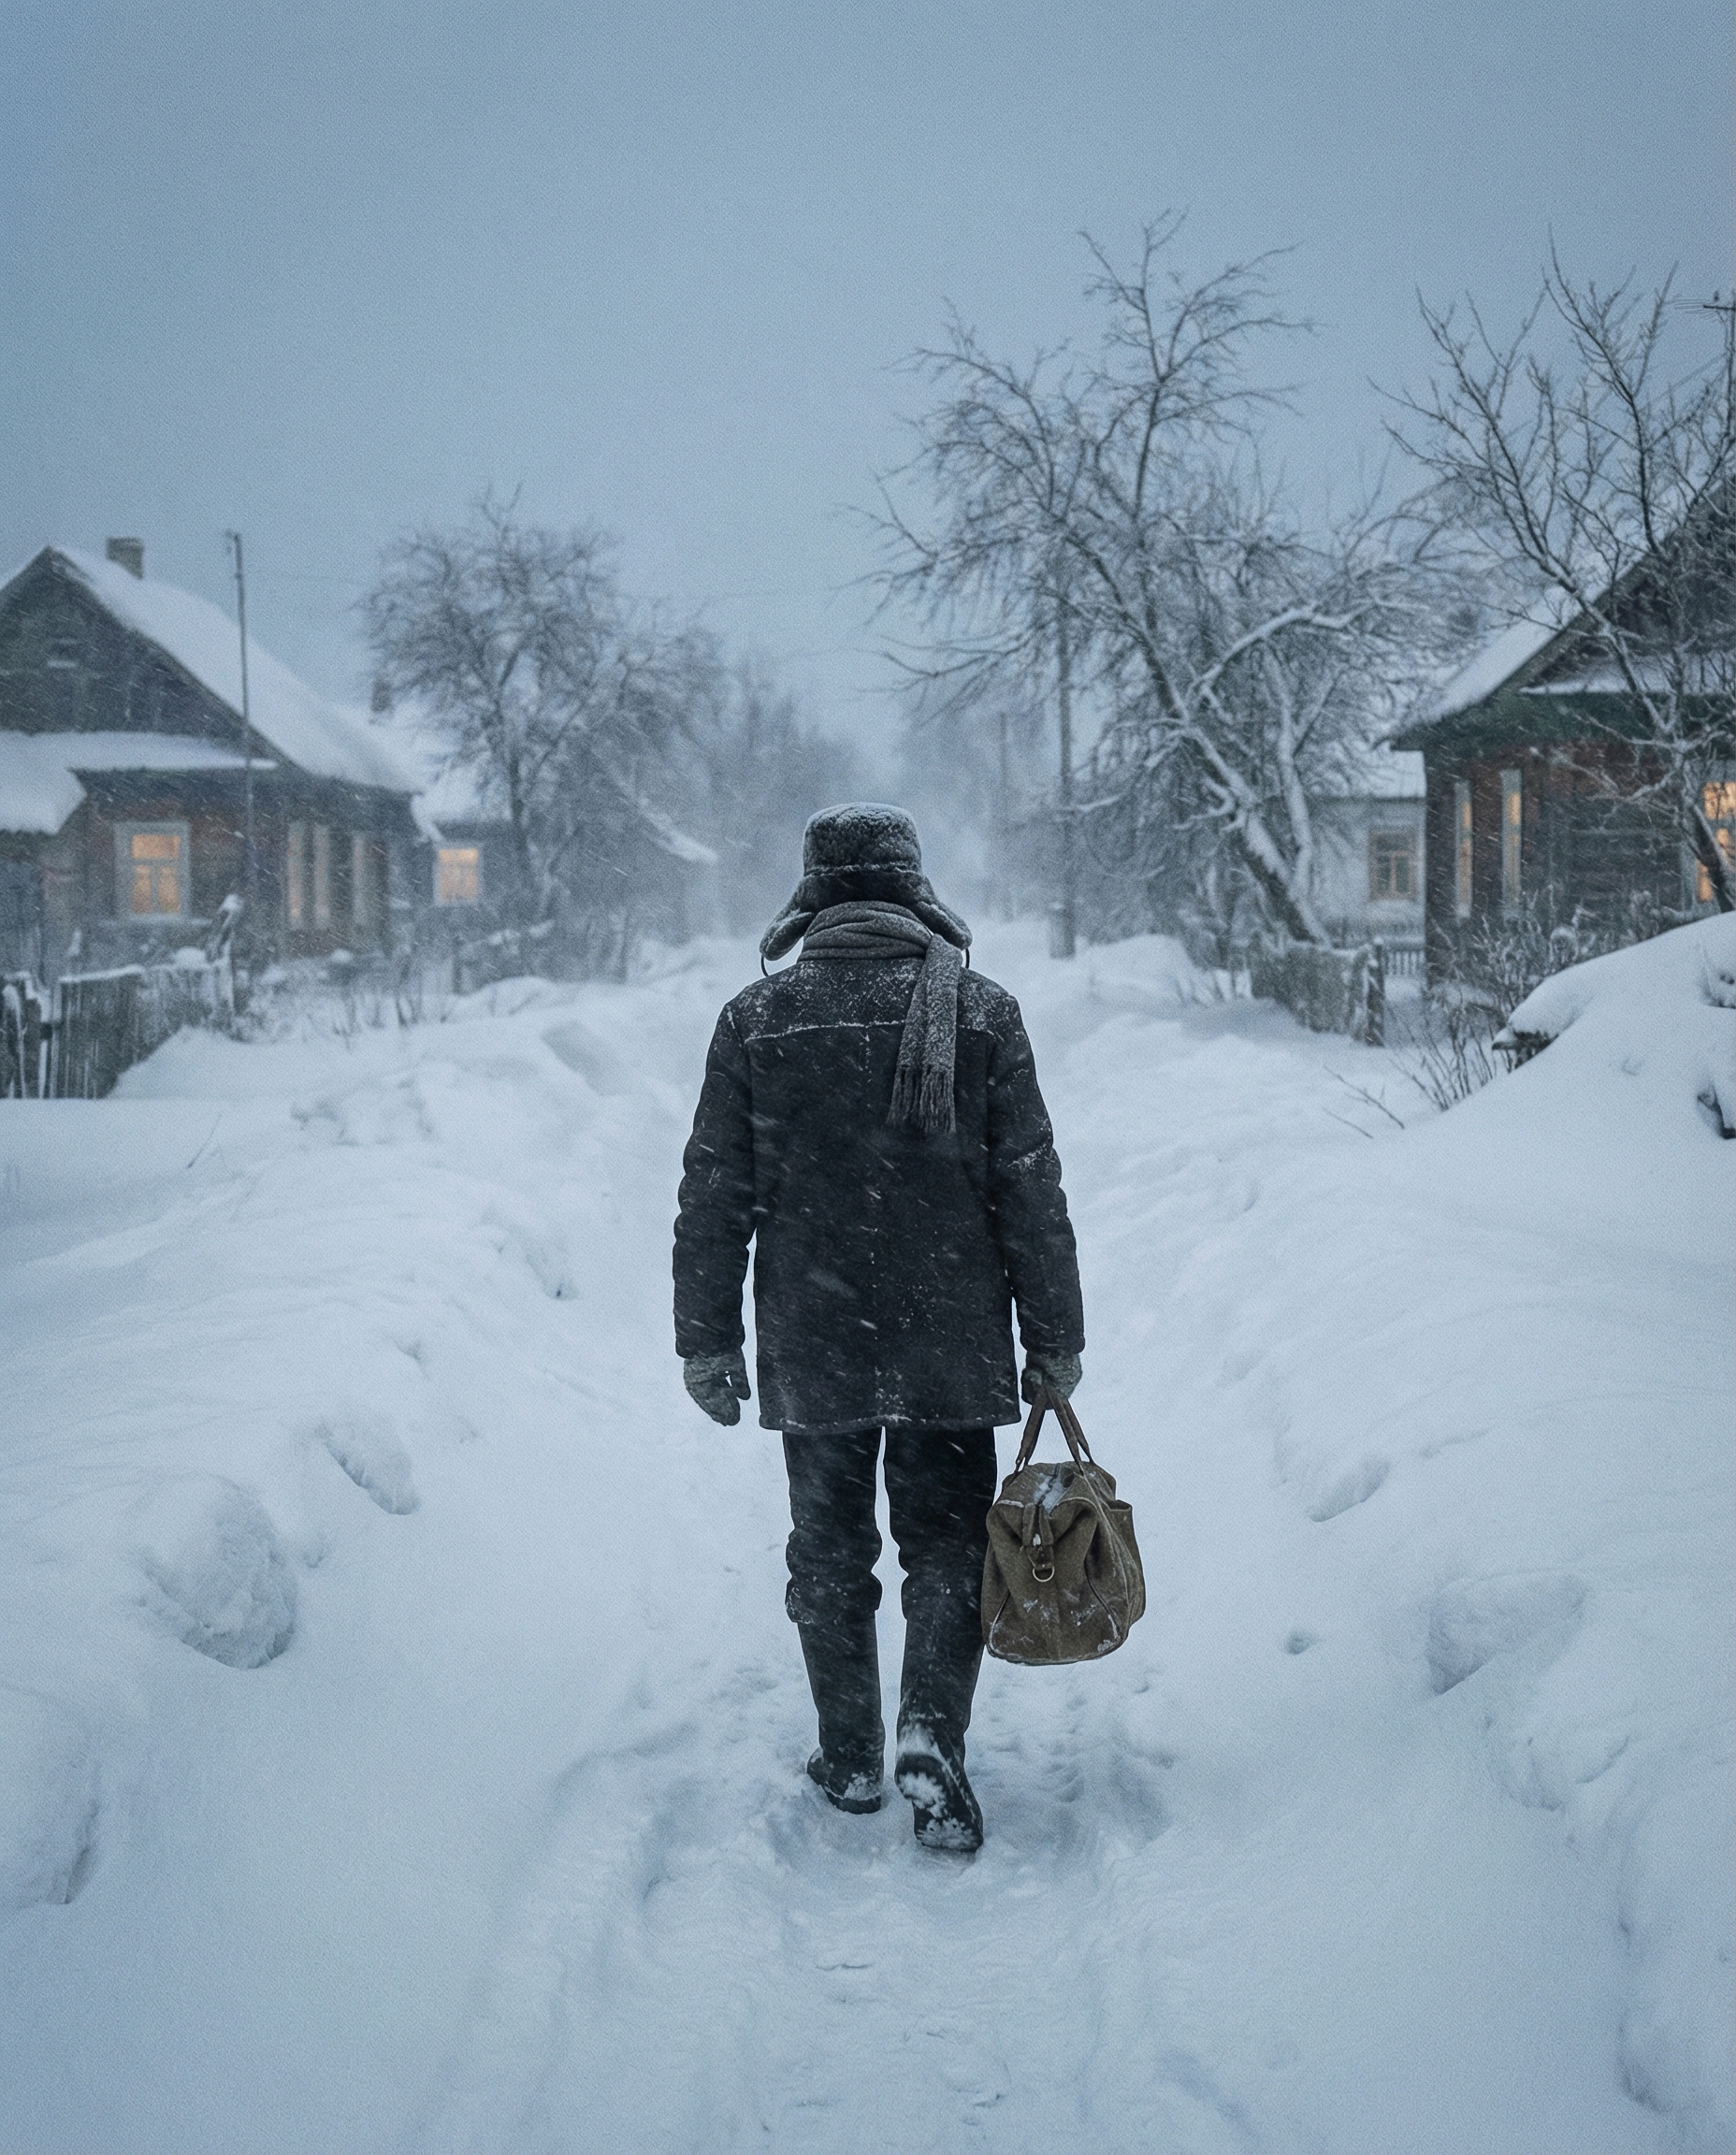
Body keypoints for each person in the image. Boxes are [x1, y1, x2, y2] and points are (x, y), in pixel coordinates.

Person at [673, 804, 1084, 1854]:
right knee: (946, 1548)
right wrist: (1053, 1338)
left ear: (814, 892)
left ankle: (850, 1754)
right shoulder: (980, 1012)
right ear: (912, 886)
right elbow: (1028, 1189)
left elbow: (714, 1193)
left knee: (829, 1550)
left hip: (813, 1334)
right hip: (949, 1329)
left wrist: (706, 1339)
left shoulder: (757, 1019)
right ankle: (930, 1734)